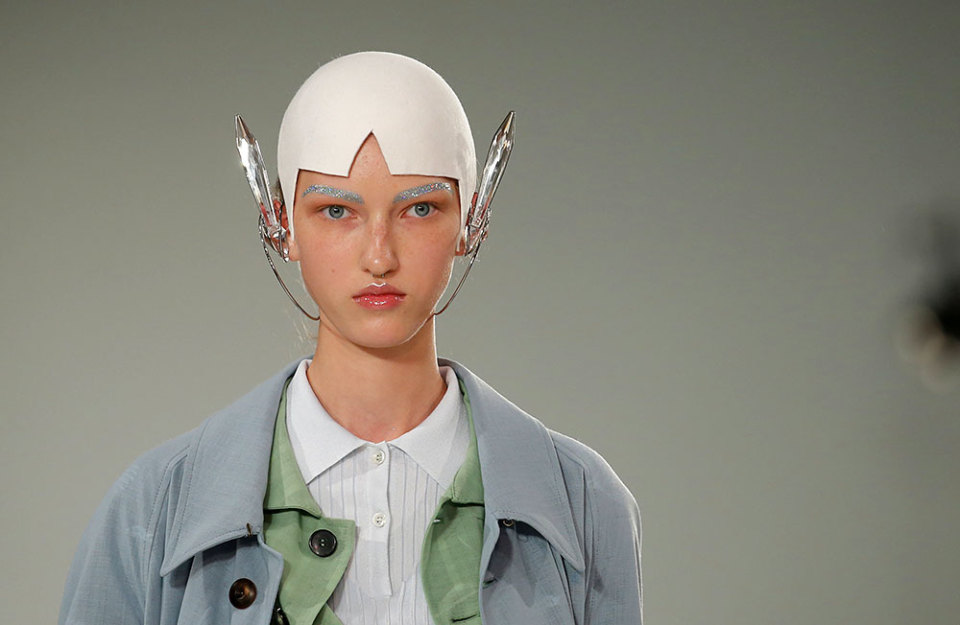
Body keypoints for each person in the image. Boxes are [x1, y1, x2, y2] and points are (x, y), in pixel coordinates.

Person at [59, 51, 642, 625]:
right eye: (337, 211)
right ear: (282, 225)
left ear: (471, 221)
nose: (379, 257)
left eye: (420, 208)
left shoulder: (585, 502)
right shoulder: (152, 510)